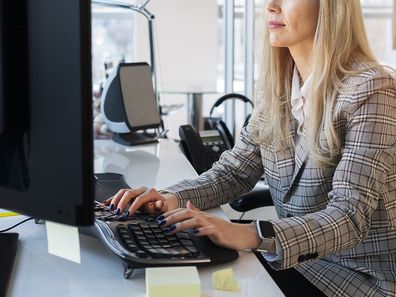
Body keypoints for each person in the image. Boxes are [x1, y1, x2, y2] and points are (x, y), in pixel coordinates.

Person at [104, 0, 396, 296]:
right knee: (187, 271)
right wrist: (171, 198)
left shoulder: (372, 91)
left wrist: (249, 233)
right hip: (303, 264)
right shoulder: (279, 86)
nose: (270, 5)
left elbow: (349, 216)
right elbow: (235, 172)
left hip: (362, 280)